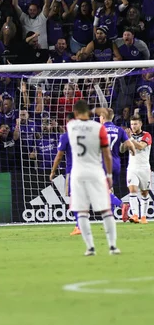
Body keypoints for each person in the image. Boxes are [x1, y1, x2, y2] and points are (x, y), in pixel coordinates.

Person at [66, 100, 118, 256]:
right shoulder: (98, 128)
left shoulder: (71, 127)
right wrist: (108, 175)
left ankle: (90, 248)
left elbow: (81, 117)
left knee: (82, 212)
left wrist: (89, 110)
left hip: (78, 173)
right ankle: (112, 246)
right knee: (106, 211)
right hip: (95, 171)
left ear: (75, 114)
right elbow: (107, 154)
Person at [123, 115, 152, 224]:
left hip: (144, 168)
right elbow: (122, 150)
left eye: (135, 124)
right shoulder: (129, 136)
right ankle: (135, 215)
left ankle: (143, 217)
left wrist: (129, 138)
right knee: (132, 190)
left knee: (144, 193)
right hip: (132, 168)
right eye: (132, 124)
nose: (133, 126)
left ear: (140, 124)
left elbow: (140, 146)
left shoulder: (147, 135)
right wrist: (124, 141)